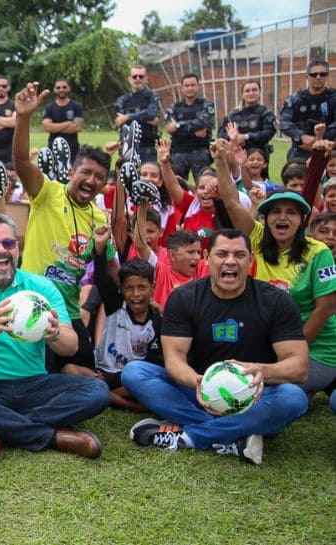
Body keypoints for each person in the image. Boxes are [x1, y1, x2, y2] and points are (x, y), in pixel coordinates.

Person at [122, 229, 309, 464]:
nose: (230, 261)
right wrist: (197, 382)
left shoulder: (276, 301)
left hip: (256, 396)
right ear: (206, 257)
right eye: (222, 254)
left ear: (250, 260)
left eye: (239, 255)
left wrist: (263, 370)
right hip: (198, 393)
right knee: (135, 372)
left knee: (293, 397)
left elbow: (299, 366)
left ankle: (190, 437)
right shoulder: (184, 298)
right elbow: (174, 359)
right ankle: (234, 437)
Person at [0, 213, 109, 460]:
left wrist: (54, 334)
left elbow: (71, 347)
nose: (1, 250)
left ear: (18, 249)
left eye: (8, 243)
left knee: (97, 392)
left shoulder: (41, 287)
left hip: (34, 385)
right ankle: (55, 437)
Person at [213, 140, 336, 405]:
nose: (283, 217)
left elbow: (326, 308)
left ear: (303, 220)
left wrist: (293, 354)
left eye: (291, 213)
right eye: (276, 212)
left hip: (317, 350)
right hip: (273, 342)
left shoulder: (318, 252)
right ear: (265, 219)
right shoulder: (256, 238)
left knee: (256, 388)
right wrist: (221, 162)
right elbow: (233, 203)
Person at [13, 82, 112, 371]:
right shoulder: (48, 193)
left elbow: (106, 272)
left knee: (86, 371)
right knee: (41, 372)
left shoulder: (99, 218)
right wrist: (22, 118)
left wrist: (104, 250)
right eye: (86, 173)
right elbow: (20, 161)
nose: (92, 181)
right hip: (32, 306)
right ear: (72, 171)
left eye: (100, 177)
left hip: (67, 313)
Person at [91, 226, 162, 411]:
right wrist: (99, 250)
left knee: (150, 383)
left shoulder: (158, 320)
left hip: (130, 380)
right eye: (129, 288)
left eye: (142, 287)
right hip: (104, 373)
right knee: (71, 371)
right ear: (121, 289)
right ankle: (130, 405)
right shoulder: (115, 304)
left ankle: (109, 396)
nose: (136, 294)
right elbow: (101, 278)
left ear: (152, 287)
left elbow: (154, 363)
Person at [280, 59, 336, 161]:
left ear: (327, 76)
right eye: (314, 74)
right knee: (294, 173)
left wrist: (320, 138)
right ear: (307, 77)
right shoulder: (296, 99)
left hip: (329, 148)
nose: (318, 77)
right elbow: (284, 122)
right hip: (301, 150)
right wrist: (301, 136)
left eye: (322, 74)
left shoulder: (333, 98)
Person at [165, 73, 215, 182]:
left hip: (200, 152)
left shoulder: (207, 105)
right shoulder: (174, 107)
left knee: (205, 185)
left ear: (198, 86)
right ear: (182, 88)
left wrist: (178, 125)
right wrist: (194, 127)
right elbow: (169, 128)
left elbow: (203, 123)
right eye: (186, 86)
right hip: (178, 153)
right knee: (177, 186)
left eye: (193, 85)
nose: (190, 88)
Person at [114, 65, 161, 162]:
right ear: (129, 79)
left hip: (148, 148)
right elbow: (119, 121)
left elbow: (151, 113)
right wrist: (145, 117)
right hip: (127, 147)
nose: (138, 79)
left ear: (146, 79)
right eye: (134, 76)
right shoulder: (122, 100)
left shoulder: (152, 96)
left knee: (148, 177)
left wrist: (128, 117)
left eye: (141, 76)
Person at [217, 80, 277, 154]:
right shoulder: (232, 115)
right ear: (242, 94)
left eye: (254, 90)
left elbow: (268, 133)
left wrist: (245, 137)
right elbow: (221, 134)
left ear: (260, 93)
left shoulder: (266, 113)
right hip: (235, 155)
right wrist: (233, 139)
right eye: (247, 91)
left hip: (258, 157)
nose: (251, 93)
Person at [42, 79, 84, 159]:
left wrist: (54, 127)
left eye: (64, 87)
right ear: (54, 89)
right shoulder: (49, 107)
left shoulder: (76, 106)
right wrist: (68, 124)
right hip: (53, 149)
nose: (61, 89)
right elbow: (47, 127)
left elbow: (78, 127)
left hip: (72, 150)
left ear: (69, 88)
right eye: (58, 88)